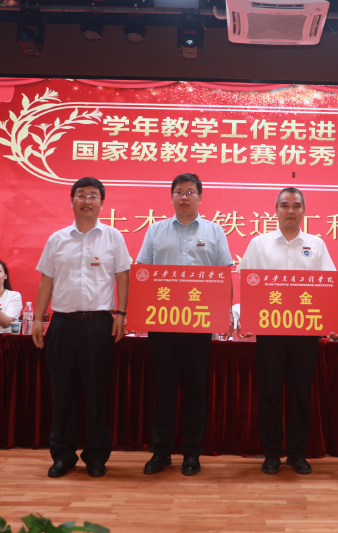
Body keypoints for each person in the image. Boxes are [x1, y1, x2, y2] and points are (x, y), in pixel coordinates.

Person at [32, 177, 130, 479]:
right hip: (62, 324)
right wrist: (38, 319)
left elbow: (123, 277)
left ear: (102, 202)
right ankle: (62, 455)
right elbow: (47, 280)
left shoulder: (113, 237)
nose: (87, 201)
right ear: (72, 200)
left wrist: (121, 313)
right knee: (62, 394)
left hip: (99, 324)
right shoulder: (57, 239)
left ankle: (96, 456)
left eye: (93, 196)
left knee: (97, 393)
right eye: (81, 195)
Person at [136, 173, 233, 477]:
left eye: (190, 192)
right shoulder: (155, 230)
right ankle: (161, 451)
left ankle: (192, 451)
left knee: (195, 389)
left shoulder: (215, 231)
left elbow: (224, 275)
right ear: (172, 197)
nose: (184, 197)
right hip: (162, 322)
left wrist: (225, 314)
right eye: (179, 192)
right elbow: (143, 272)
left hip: (199, 323)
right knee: (164, 388)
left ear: (200, 197)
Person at [239, 187, 336, 475]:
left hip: (305, 333)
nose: (290, 210)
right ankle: (271, 453)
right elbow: (248, 283)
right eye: (284, 205)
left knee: (300, 395)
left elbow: (328, 285)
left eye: (296, 205)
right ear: (276, 210)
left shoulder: (317, 244)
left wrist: (332, 321)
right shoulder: (259, 243)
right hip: (270, 332)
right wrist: (245, 320)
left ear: (304, 210)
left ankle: (296, 453)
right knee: (269, 395)